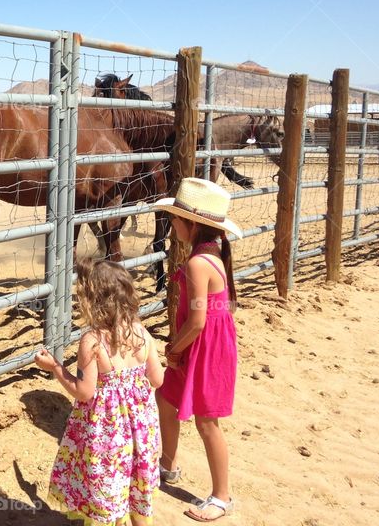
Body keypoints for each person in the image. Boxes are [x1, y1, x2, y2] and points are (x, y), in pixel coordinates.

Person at [35, 259, 162, 526]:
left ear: (91, 299)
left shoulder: (92, 341)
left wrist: (55, 368)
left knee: (107, 490)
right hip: (142, 430)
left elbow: (84, 392)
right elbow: (157, 379)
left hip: (108, 434)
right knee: (137, 490)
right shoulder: (143, 333)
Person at [153, 177, 241, 522]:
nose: (171, 223)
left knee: (207, 422)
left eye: (175, 218)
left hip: (204, 346)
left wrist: (175, 349)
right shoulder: (211, 253)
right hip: (206, 342)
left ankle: (222, 496)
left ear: (191, 224)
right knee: (166, 396)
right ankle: (168, 463)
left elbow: (199, 321)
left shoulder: (197, 263)